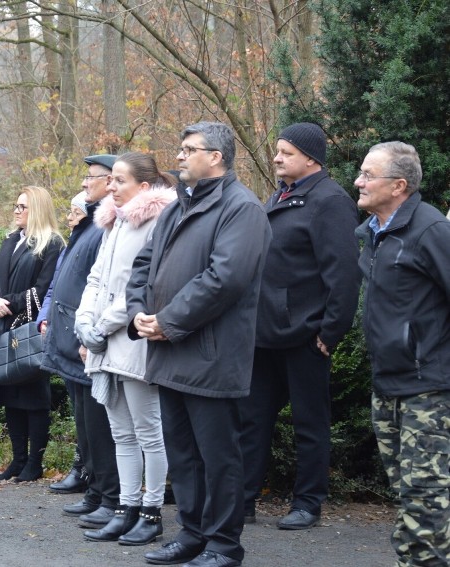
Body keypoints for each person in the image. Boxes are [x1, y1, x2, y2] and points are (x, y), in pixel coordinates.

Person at [129, 122, 270, 567]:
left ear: (217, 157)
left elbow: (224, 280)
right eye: (181, 148)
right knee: (184, 455)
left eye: (190, 149)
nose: (180, 156)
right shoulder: (177, 208)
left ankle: (224, 545)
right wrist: (139, 313)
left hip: (210, 355)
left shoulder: (242, 209)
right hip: (170, 353)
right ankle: (191, 534)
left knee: (218, 457)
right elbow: (145, 263)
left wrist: (168, 321)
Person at [238, 123, 361, 529]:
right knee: (252, 419)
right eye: (276, 151)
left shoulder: (330, 201)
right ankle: (243, 500)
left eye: (285, 152)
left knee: (310, 423)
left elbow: (343, 275)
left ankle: (307, 503)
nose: (276, 158)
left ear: (311, 158)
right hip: (265, 334)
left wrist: (329, 333)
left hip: (305, 337)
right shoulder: (282, 195)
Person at [354, 141, 450, 567]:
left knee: (426, 495)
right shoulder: (375, 234)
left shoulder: (430, 231)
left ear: (398, 185)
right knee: (406, 493)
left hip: (429, 387)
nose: (358, 181)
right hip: (387, 383)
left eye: (367, 175)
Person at [76, 152, 176, 544]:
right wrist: (84, 322)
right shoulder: (113, 223)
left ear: (145, 187)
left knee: (148, 431)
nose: (111, 187)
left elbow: (145, 285)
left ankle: (151, 512)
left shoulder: (157, 223)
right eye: (111, 181)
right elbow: (97, 278)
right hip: (105, 342)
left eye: (119, 180)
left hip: (134, 342)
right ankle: (126, 506)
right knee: (122, 433)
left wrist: (101, 325)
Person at [40, 155, 121, 529]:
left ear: (110, 182)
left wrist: (92, 333)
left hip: (90, 343)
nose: (85, 183)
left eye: (92, 178)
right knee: (86, 426)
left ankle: (110, 495)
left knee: (100, 426)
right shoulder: (88, 225)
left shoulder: (107, 226)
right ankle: (95, 489)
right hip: (73, 343)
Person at [0, 186, 64, 482]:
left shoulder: (51, 244)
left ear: (37, 210)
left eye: (22, 207)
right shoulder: (10, 240)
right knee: (9, 393)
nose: (16, 211)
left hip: (28, 326)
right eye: (15, 206)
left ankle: (35, 462)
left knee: (32, 394)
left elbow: (44, 289)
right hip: (2, 322)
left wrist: (10, 302)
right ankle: (17, 461)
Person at [36, 190, 89, 494]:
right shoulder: (71, 245)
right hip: (61, 332)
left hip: (80, 335)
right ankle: (80, 466)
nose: (69, 218)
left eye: (75, 212)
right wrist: (44, 317)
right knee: (76, 406)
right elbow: (55, 286)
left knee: (88, 410)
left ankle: (88, 470)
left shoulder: (89, 241)